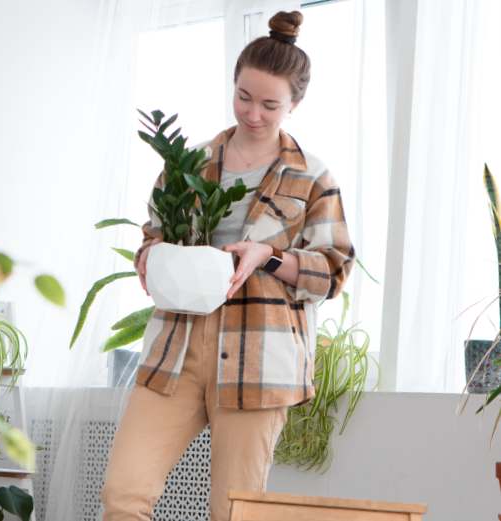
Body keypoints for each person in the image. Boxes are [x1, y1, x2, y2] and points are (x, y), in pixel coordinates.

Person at [100, 10, 356, 521]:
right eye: (243, 97)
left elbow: (334, 269)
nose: (253, 113)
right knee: (123, 495)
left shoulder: (313, 177)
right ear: (233, 83)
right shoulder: (188, 164)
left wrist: (271, 255)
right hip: (176, 348)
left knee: (234, 512)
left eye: (269, 104)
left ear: (294, 103)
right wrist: (149, 256)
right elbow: (152, 235)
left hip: (259, 360)